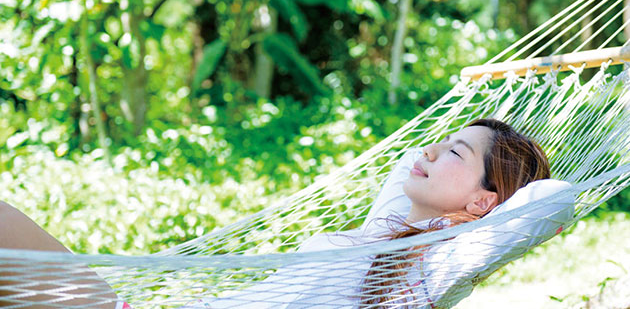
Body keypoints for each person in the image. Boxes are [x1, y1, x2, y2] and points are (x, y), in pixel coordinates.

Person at [0, 119, 572, 308]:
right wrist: (452, 165)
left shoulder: (429, 268)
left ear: (482, 201)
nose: (428, 151)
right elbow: (404, 168)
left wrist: (486, 215)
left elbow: (548, 203)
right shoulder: (386, 232)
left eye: (453, 152)